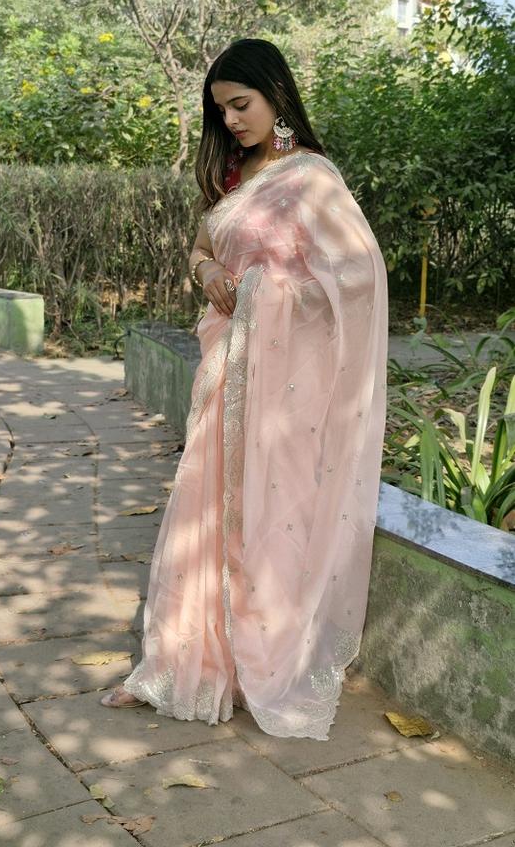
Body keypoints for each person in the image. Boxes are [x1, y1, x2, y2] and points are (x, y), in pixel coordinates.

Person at [99, 38, 389, 741]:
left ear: (276, 96)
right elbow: (203, 245)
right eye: (221, 110)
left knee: (269, 513)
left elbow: (359, 274)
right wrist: (207, 272)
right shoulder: (238, 175)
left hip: (284, 391)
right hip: (225, 373)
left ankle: (260, 657)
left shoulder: (311, 177)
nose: (230, 120)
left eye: (240, 104)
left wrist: (263, 290)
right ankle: (184, 661)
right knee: (207, 511)